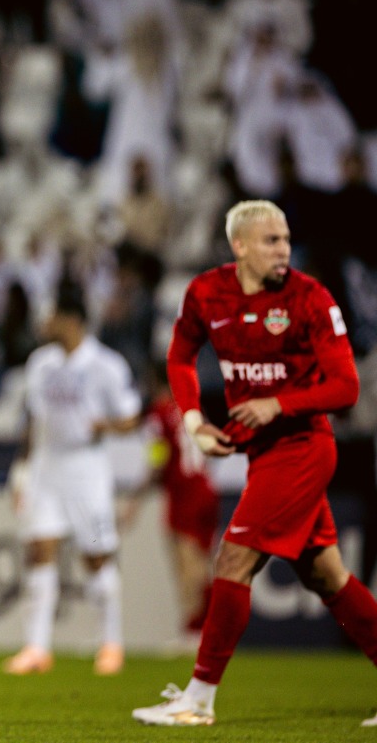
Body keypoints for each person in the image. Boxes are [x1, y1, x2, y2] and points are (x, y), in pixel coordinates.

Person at [132, 199, 377, 728]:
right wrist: (195, 420)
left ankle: (197, 700)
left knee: (233, 560)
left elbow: (346, 386)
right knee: (327, 577)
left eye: (286, 239)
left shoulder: (310, 298)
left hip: (303, 447)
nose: (284, 249)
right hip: (264, 453)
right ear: (239, 246)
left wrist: (277, 404)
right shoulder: (206, 293)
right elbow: (178, 357)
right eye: (271, 241)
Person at [4, 285, 142, 677]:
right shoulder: (40, 364)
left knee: (95, 555)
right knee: (39, 549)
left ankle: (111, 643)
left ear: (73, 319)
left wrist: (108, 425)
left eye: (53, 316)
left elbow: (133, 415)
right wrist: (22, 471)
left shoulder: (106, 365)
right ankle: (36, 648)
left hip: (86, 469)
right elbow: (32, 419)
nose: (46, 323)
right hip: (47, 466)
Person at [120, 361, 219, 649]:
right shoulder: (190, 408)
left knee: (186, 565)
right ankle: (204, 631)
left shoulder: (159, 414)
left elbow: (156, 460)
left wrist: (134, 502)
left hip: (184, 494)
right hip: (205, 488)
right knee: (203, 564)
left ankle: (194, 632)